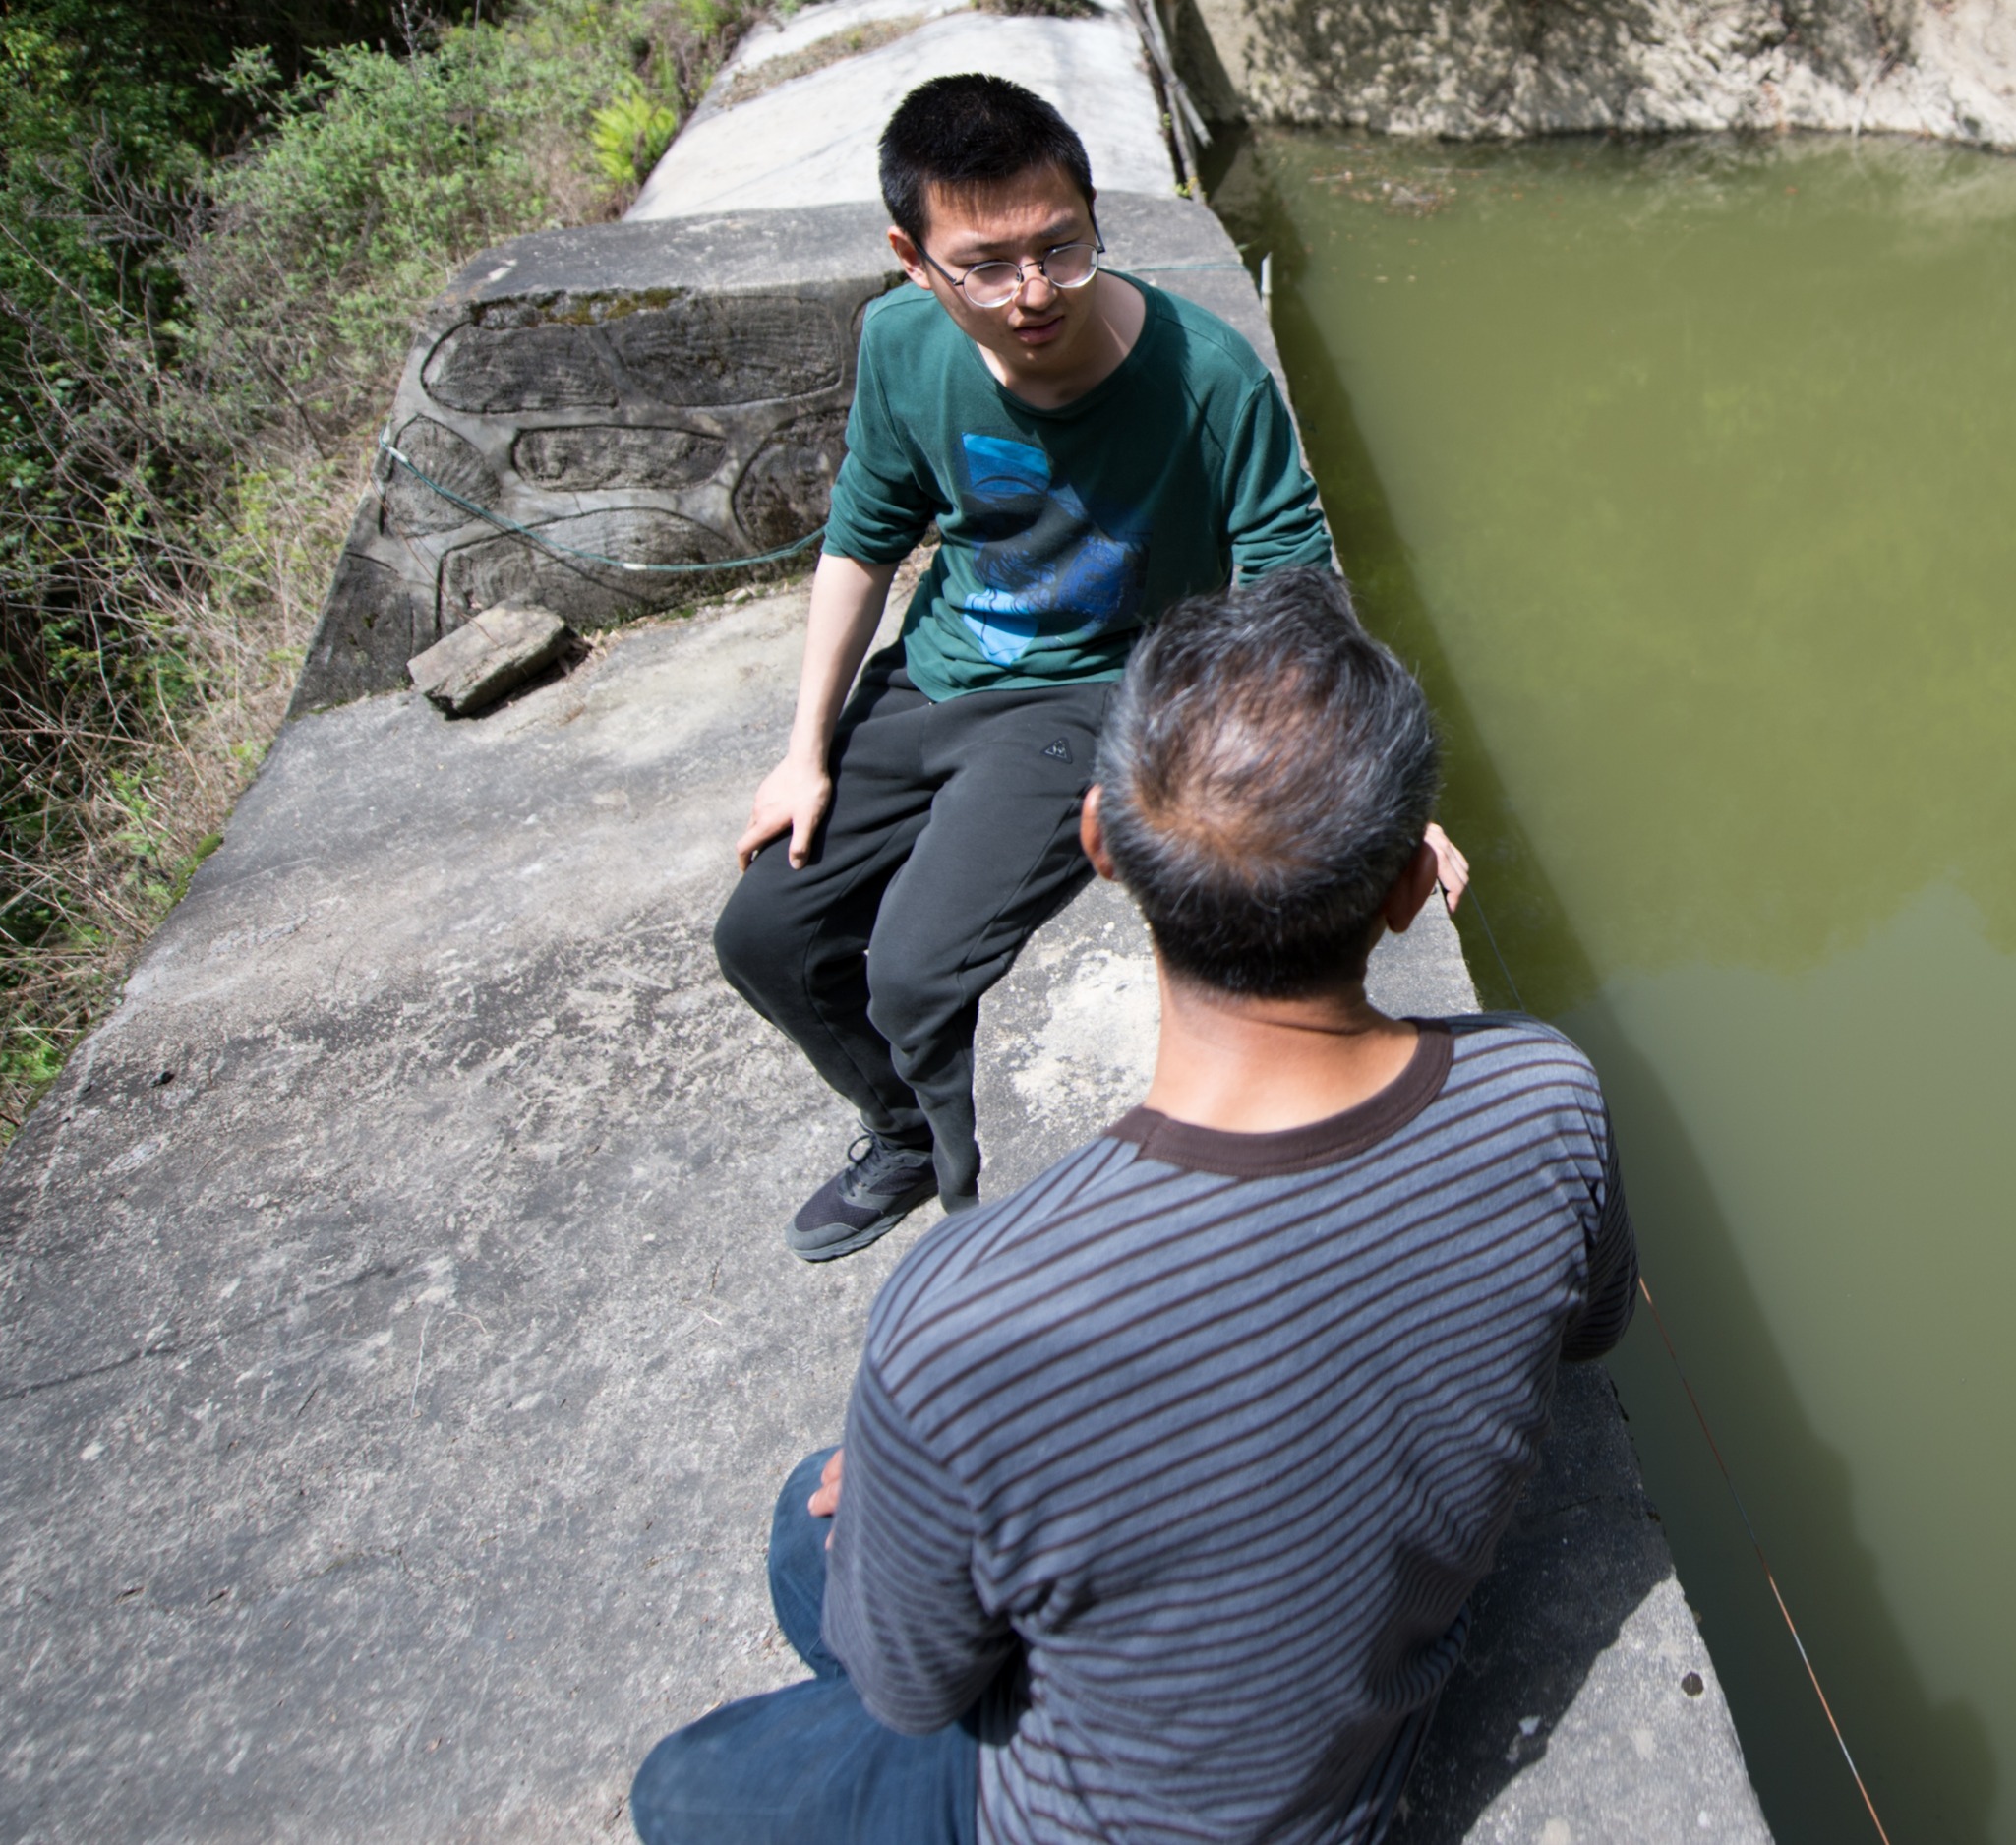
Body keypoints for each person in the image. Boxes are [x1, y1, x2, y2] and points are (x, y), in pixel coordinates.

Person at [632, 568, 1637, 1845]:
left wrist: (912, 1478)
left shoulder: (971, 1307)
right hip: (1362, 1737)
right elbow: (1591, 1331)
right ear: (1403, 888)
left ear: (1097, 842)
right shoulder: (1548, 1093)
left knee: (693, 1756)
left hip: (1100, 1822)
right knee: (806, 1529)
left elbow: (911, 1684)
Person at [714, 70, 1336, 1257]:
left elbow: (1291, 581)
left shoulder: (1207, 377)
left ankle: (961, 1227)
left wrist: (1334, 778)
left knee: (913, 970)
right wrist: (802, 754)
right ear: (914, 258)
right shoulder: (899, 343)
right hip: (939, 672)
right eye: (987, 265)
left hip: (1099, 691)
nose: (1034, 291)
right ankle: (899, 1132)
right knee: (762, 937)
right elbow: (862, 536)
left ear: (1095, 212)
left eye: (1063, 246)